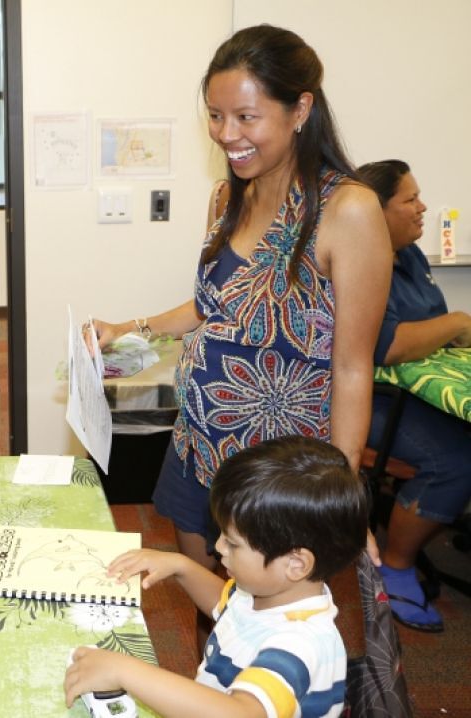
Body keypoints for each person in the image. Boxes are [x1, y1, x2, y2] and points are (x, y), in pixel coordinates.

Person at [88, 25, 390, 573]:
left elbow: (351, 368)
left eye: (246, 117)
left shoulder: (346, 211)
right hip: (197, 442)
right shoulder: (226, 197)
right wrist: (128, 329)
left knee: (264, 613)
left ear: (300, 109)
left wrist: (340, 493)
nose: (226, 135)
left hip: (277, 471)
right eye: (215, 115)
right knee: (207, 600)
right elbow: (214, 306)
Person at [65, 436, 368, 718]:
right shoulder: (269, 594)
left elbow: (241, 713)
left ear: (296, 564)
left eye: (233, 543)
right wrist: (181, 566)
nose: (219, 547)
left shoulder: (301, 644)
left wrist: (125, 671)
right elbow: (228, 605)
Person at [357, 159, 471, 632]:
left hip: (420, 391)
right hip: (373, 398)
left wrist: (448, 333)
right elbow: (388, 347)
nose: (422, 207)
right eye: (410, 199)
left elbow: (428, 331)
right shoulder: (362, 265)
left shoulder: (411, 255)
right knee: (455, 459)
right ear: (376, 213)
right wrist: (457, 323)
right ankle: (397, 566)